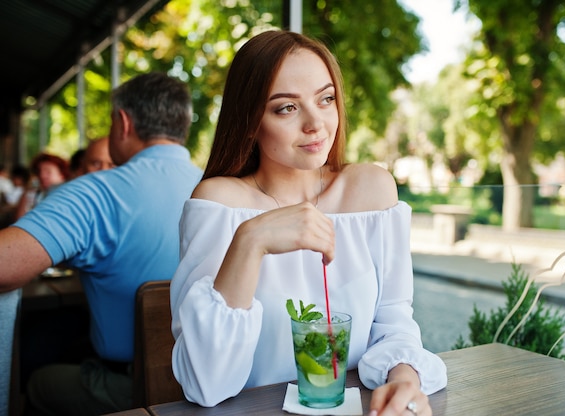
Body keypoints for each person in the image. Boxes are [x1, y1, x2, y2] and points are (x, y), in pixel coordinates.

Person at [170, 30, 447, 416]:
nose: (316, 123)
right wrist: (251, 239)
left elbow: (393, 322)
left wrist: (404, 378)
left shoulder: (372, 190)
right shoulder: (218, 203)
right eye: (286, 108)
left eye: (326, 99)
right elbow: (205, 383)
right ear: (250, 121)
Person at [0, 72, 202, 415]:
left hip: (131, 390)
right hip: (216, 386)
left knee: (36, 380)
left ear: (122, 123)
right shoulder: (221, 185)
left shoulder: (95, 193)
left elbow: (5, 267)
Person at [14, 153, 70, 219]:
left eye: (48, 171)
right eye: (39, 172)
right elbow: (19, 222)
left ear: (62, 174)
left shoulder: (69, 195)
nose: (42, 176)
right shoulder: (31, 195)